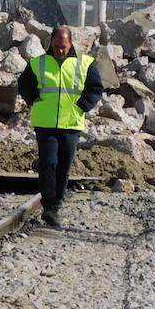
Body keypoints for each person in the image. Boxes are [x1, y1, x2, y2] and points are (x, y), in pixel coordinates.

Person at [17, 24, 104, 228]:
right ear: (51, 44)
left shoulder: (85, 63)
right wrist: (33, 99)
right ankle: (49, 207)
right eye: (56, 46)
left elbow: (96, 88)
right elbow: (24, 84)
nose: (60, 50)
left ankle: (56, 205)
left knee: (63, 166)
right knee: (49, 163)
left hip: (71, 123)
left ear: (71, 43)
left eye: (63, 46)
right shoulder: (39, 63)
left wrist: (83, 105)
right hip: (45, 123)